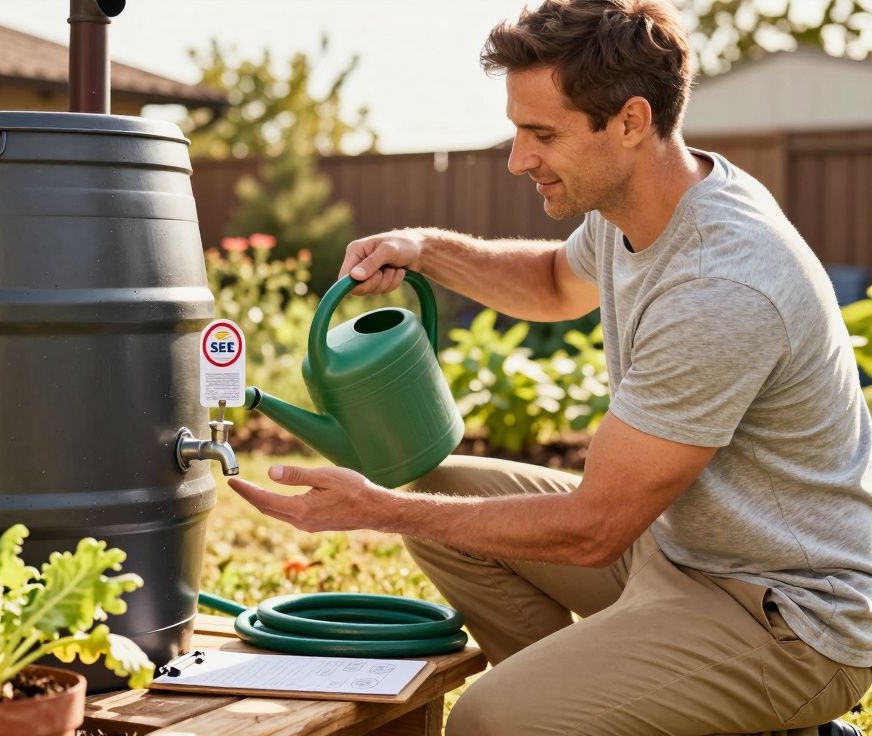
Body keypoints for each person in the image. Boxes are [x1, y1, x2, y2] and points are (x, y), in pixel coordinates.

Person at [226, 1, 872, 734]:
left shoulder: (722, 285)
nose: (518, 158)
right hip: (678, 552)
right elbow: (552, 284)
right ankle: (612, 703)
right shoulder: (643, 201)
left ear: (630, 122)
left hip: (785, 616)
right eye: (516, 129)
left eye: (542, 134)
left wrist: (374, 507)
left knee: (492, 720)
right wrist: (421, 248)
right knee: (444, 495)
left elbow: (594, 527)